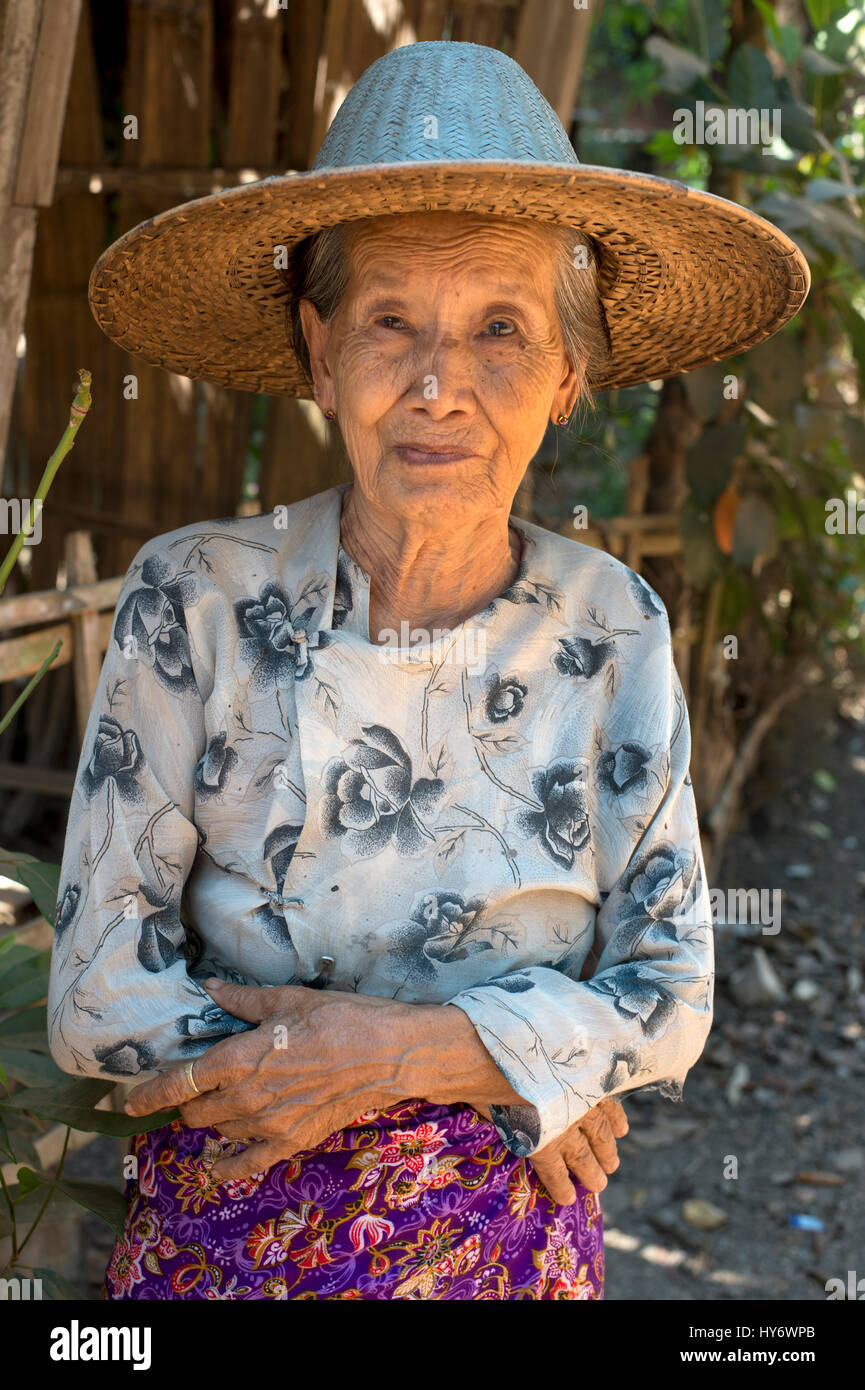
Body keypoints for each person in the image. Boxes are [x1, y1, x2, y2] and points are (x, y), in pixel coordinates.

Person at [49, 39, 808, 1301]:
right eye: (389, 320)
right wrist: (523, 1063)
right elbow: (91, 997)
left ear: (570, 374)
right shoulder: (194, 597)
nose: (438, 386)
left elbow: (671, 993)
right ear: (317, 350)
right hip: (235, 1218)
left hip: (500, 1241)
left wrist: (409, 1055)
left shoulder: (610, 624)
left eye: (499, 329)